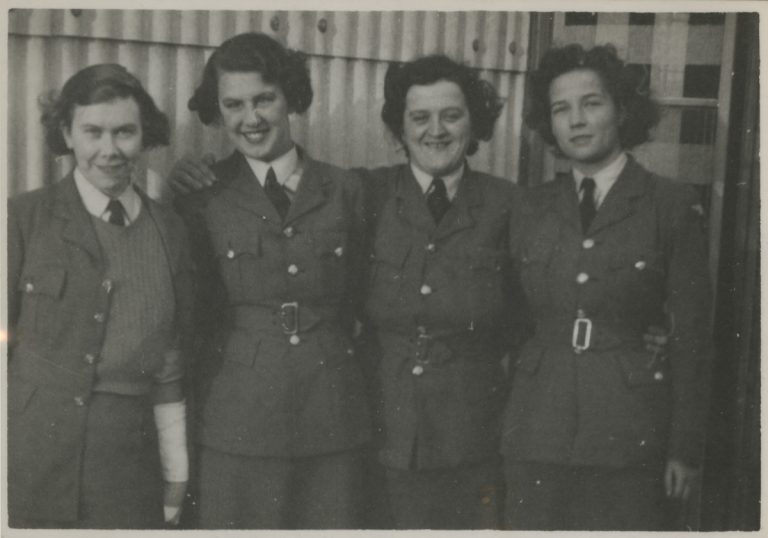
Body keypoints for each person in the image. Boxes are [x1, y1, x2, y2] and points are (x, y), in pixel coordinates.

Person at [501, 44, 713, 530]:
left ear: (622, 110)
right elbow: (507, 319)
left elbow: (695, 338)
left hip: (630, 431)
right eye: (561, 109)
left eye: (591, 103)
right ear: (548, 123)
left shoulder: (670, 205)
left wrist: (685, 448)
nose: (576, 120)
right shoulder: (528, 209)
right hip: (537, 431)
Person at [172, 32, 370, 529]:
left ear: (291, 99)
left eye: (265, 99)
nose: (251, 118)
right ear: (217, 112)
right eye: (233, 105)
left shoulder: (346, 190)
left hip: (332, 413)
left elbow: (363, 298)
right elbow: (194, 317)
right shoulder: (203, 196)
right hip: (239, 418)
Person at [7, 64, 192, 529]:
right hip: (32, 459)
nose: (109, 150)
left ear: (144, 136)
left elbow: (170, 360)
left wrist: (176, 470)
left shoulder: (170, 229)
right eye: (93, 132)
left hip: (127, 462)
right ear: (67, 133)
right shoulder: (22, 219)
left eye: (125, 132)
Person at [358, 55, 525, 529]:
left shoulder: (510, 205)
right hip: (384, 426)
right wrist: (200, 175)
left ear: (474, 124)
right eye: (420, 117)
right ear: (399, 128)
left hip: (473, 432)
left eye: (451, 115)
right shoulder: (365, 193)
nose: (436, 130)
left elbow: (541, 309)